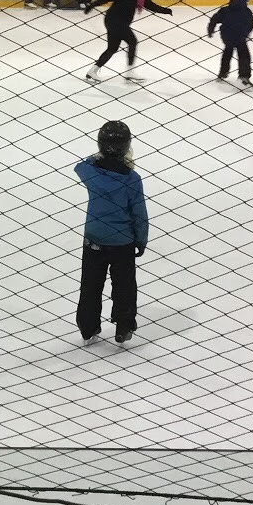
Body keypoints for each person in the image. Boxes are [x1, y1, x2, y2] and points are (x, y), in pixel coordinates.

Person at [74, 120, 148, 344]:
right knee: (124, 285)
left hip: (94, 239)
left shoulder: (91, 173)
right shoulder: (132, 180)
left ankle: (88, 327)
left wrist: (98, 158)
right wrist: (140, 239)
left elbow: (80, 165)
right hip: (122, 241)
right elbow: (139, 213)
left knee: (90, 285)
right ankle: (124, 325)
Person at [85, 0, 173, 82]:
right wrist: (92, 5)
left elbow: (151, 5)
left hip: (117, 21)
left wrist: (165, 10)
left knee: (112, 48)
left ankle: (92, 71)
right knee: (132, 41)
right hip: (115, 21)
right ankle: (130, 72)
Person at [207, 0, 253, 88]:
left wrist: (211, 29)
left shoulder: (226, 9)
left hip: (227, 36)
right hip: (240, 37)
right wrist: (246, 34)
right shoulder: (247, 11)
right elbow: (250, 24)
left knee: (227, 52)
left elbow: (214, 19)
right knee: (244, 56)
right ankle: (244, 76)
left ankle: (223, 72)